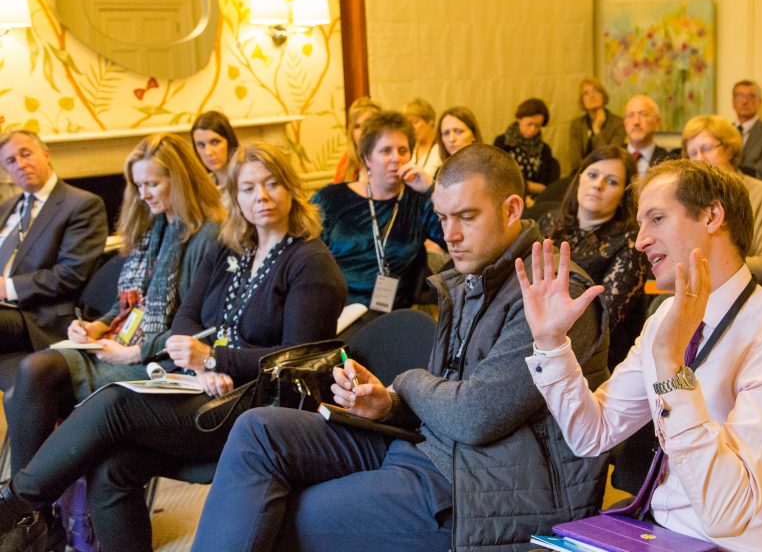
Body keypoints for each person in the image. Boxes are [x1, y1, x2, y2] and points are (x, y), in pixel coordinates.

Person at [188, 144, 608, 551]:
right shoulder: (469, 276)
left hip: (489, 485)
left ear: (513, 209)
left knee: (292, 515)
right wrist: (388, 405)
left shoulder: (558, 293)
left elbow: (477, 415)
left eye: (467, 216)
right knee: (259, 431)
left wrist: (405, 384)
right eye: (442, 218)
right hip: (428, 446)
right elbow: (449, 401)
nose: (451, 235)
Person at [0, 142, 347, 551]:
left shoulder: (310, 261)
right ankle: (23, 510)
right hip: (205, 386)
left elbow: (294, 359)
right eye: (249, 188)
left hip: (263, 408)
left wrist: (217, 357)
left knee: (116, 401)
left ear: (292, 189)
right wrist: (199, 362)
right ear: (236, 195)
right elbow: (188, 317)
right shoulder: (232, 245)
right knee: (112, 468)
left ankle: (17, 506)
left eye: (273, 184)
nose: (262, 197)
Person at [516, 159, 762, 551]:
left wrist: (670, 369)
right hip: (658, 535)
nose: (639, 240)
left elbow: (727, 513)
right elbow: (590, 434)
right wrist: (551, 342)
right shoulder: (667, 316)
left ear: (713, 215)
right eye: (640, 224)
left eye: (657, 219)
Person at [4, 133, 223, 476]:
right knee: (34, 374)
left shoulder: (207, 235)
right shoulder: (158, 225)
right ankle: (31, 510)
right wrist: (98, 325)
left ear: (180, 181)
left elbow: (195, 324)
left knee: (35, 381)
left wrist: (134, 353)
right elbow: (131, 306)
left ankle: (25, 508)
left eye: (153, 183)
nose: (143, 194)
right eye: (138, 185)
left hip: (160, 359)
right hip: (121, 342)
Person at [313, 110, 445, 308]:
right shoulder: (330, 199)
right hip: (337, 311)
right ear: (367, 158)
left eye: (402, 151)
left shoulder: (419, 202)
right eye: (386, 151)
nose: (396, 158)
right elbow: (305, 256)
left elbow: (456, 238)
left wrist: (432, 189)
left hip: (395, 316)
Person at [0, 130, 108, 352]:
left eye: (26, 153)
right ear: (6, 171)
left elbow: (72, 273)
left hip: (38, 314)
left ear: (46, 154)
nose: (20, 164)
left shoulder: (81, 205)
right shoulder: (6, 208)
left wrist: (7, 288)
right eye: (11, 161)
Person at [538, 145, 644, 367]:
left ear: (624, 195)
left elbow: (604, 321)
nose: (598, 185)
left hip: (594, 359)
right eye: (593, 175)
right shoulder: (548, 222)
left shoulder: (629, 243)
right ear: (579, 178)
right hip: (535, 339)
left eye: (612, 181)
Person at [681, 115, 762, 284]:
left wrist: (707, 265)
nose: (700, 159)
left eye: (706, 148)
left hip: (747, 290)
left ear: (729, 149)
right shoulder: (687, 199)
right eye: (693, 153)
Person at [494, 98, 560, 206]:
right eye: (530, 124)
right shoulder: (502, 142)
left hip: (537, 202)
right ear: (519, 119)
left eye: (538, 126)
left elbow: (545, 187)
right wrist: (527, 188)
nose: (533, 129)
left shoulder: (544, 149)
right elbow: (500, 177)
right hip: (507, 198)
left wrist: (525, 186)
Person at [561, 78, 625, 176]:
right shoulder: (576, 125)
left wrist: (597, 130)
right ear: (582, 101)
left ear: (603, 96)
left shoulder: (618, 123)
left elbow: (610, 159)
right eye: (586, 93)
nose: (591, 96)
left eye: (595, 91)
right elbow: (575, 163)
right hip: (580, 175)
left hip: (609, 174)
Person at [731, 80, 762, 176]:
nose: (744, 101)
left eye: (750, 96)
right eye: (739, 96)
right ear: (733, 102)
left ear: (759, 102)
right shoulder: (724, 131)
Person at [333, 97, 381, 183]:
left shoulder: (391, 160)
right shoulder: (346, 163)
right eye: (357, 127)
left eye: (367, 124)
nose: (362, 131)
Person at [622, 95, 673, 176]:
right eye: (630, 115)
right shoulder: (611, 157)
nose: (636, 122)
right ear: (624, 122)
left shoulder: (671, 163)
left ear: (657, 122)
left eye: (643, 114)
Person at [190, 110, 239, 186]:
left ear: (229, 141)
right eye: (201, 145)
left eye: (215, 142)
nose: (208, 152)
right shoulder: (203, 186)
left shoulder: (247, 180)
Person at [404, 97, 443, 177]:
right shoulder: (410, 147)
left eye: (414, 122)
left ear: (430, 121)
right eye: (408, 124)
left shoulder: (443, 147)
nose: (411, 128)